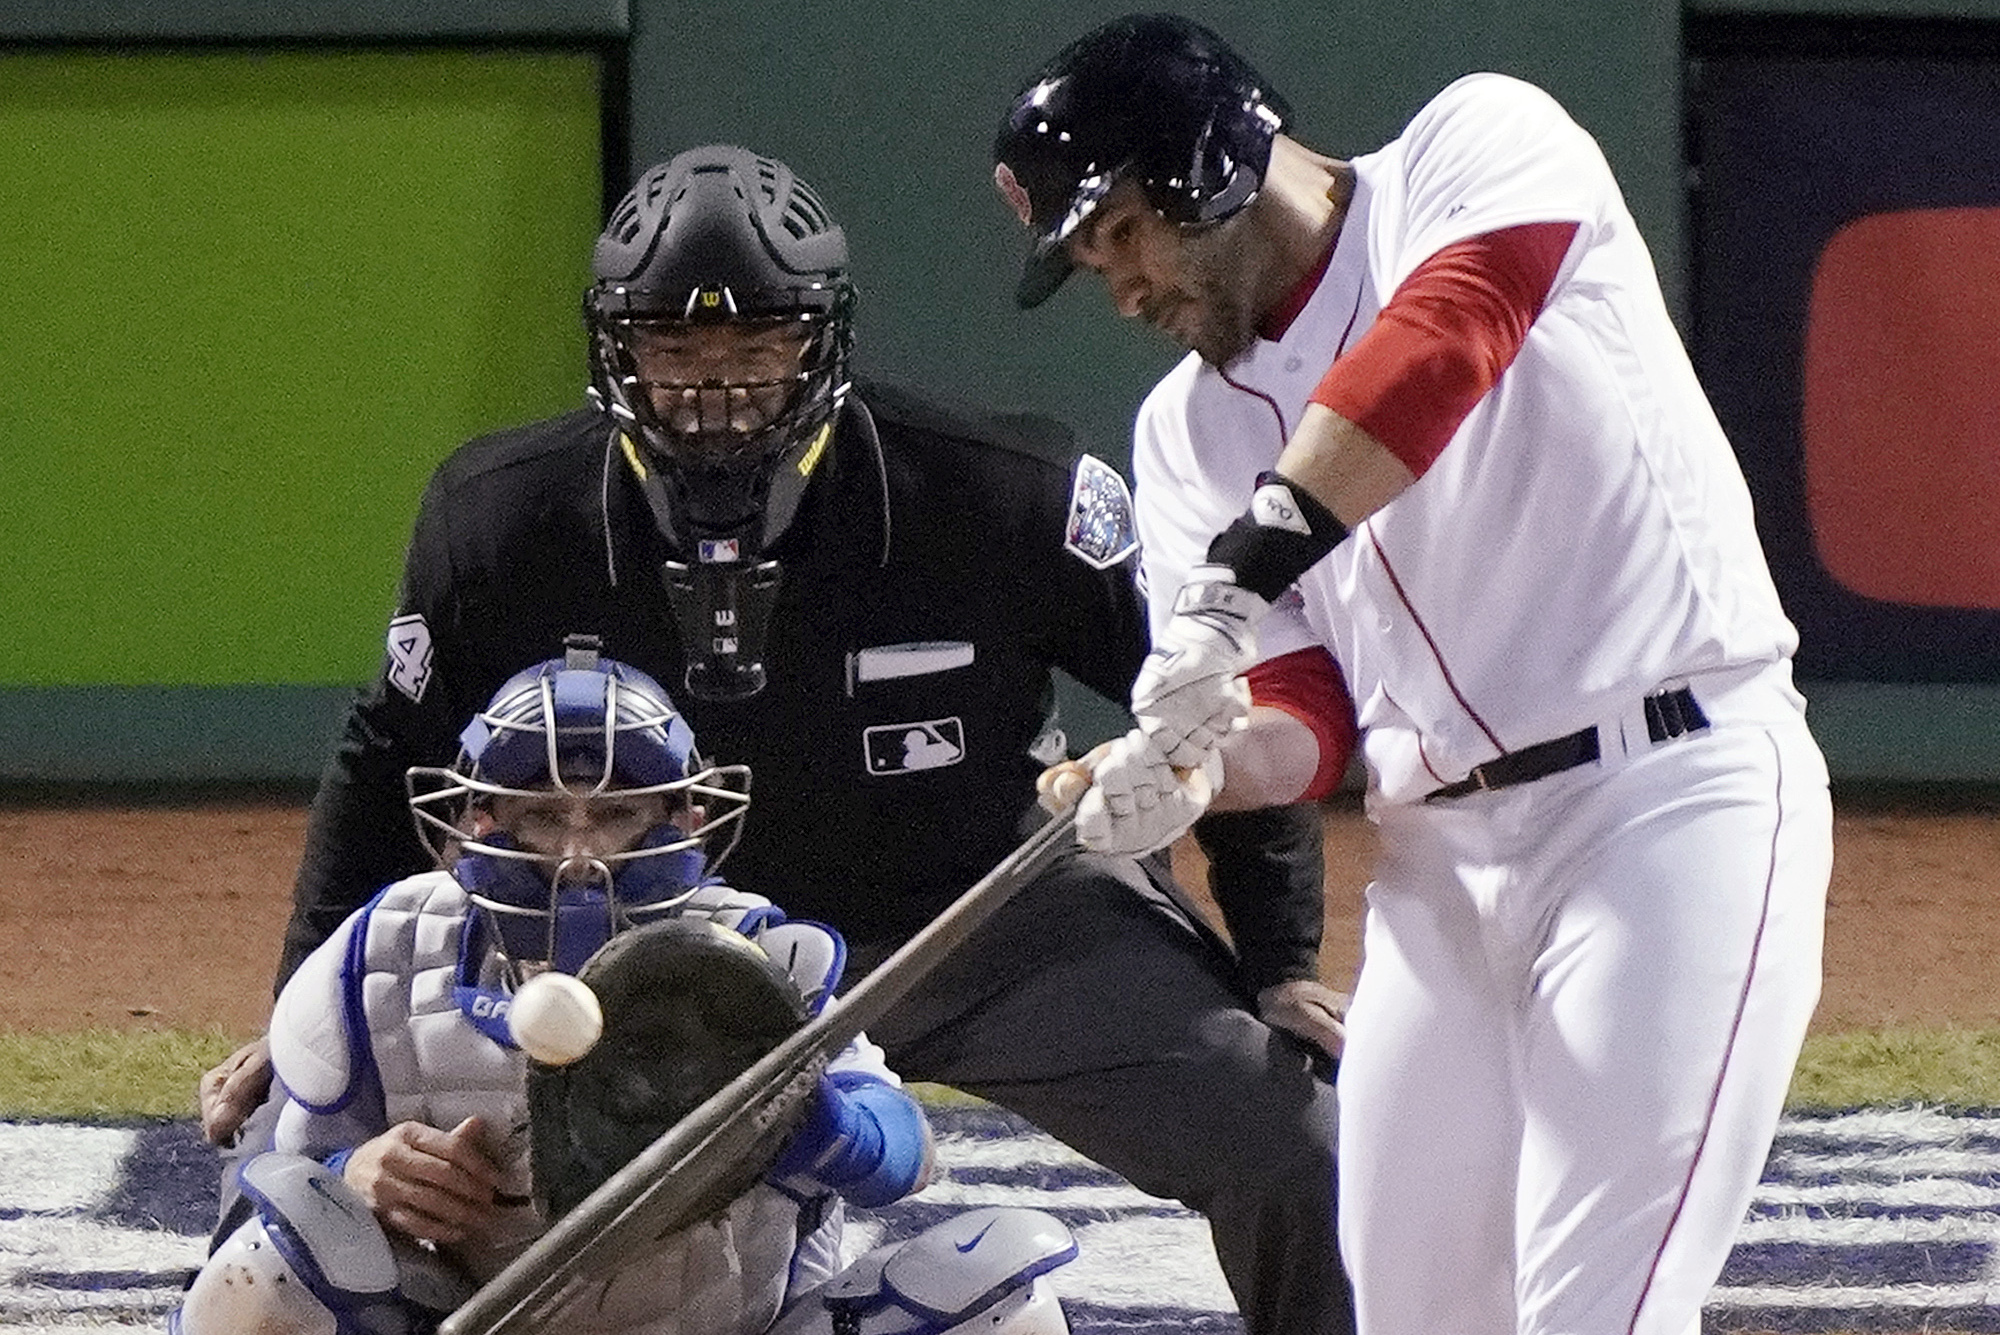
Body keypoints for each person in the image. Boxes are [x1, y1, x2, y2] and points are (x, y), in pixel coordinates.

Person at [201, 144, 1353, 1335]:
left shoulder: (1009, 492)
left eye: (756, 345)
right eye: (672, 346)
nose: (714, 385)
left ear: (823, 341)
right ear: (615, 348)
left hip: (988, 925)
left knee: (1295, 1143)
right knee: (286, 1193)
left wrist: (1278, 958)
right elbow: (390, 752)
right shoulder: (499, 515)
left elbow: (1201, 703)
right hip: (637, 956)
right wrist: (300, 1019)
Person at [996, 14, 1833, 1335]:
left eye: (1120, 233)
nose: (1124, 287)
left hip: (1669, 801)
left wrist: (1243, 564)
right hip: (1438, 866)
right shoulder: (1186, 430)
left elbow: (1450, 339)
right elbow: (1309, 712)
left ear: (1205, 162)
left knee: (1597, 1311)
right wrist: (1193, 764)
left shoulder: (1476, 144)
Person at [176, 643, 1077, 1335]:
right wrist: (357, 1174)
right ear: (480, 818)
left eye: (614, 814)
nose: (578, 855)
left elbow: (904, 1154)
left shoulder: (753, 954)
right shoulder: (388, 948)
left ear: (681, 817)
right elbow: (264, 1182)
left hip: (728, 1323)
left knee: (1004, 1295)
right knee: (270, 1258)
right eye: (540, 815)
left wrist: (805, 1124)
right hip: (464, 1315)